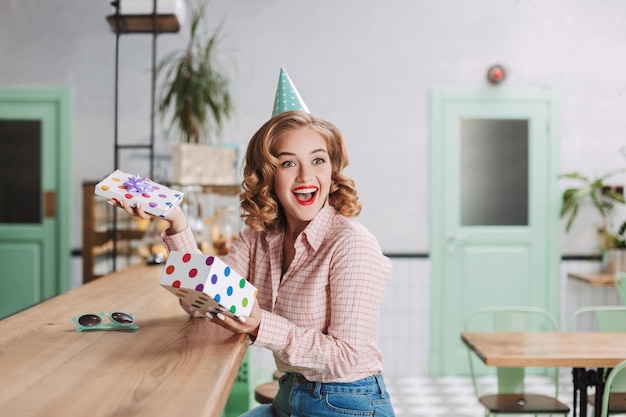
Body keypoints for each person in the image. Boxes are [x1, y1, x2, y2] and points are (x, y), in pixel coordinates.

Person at [113, 68, 395, 417]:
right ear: (267, 173)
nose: (307, 177)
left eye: (318, 160)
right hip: (289, 395)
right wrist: (176, 221)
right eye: (288, 162)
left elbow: (346, 357)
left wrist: (260, 325)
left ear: (332, 169)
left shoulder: (352, 244)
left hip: (348, 403)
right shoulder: (260, 238)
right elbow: (203, 303)